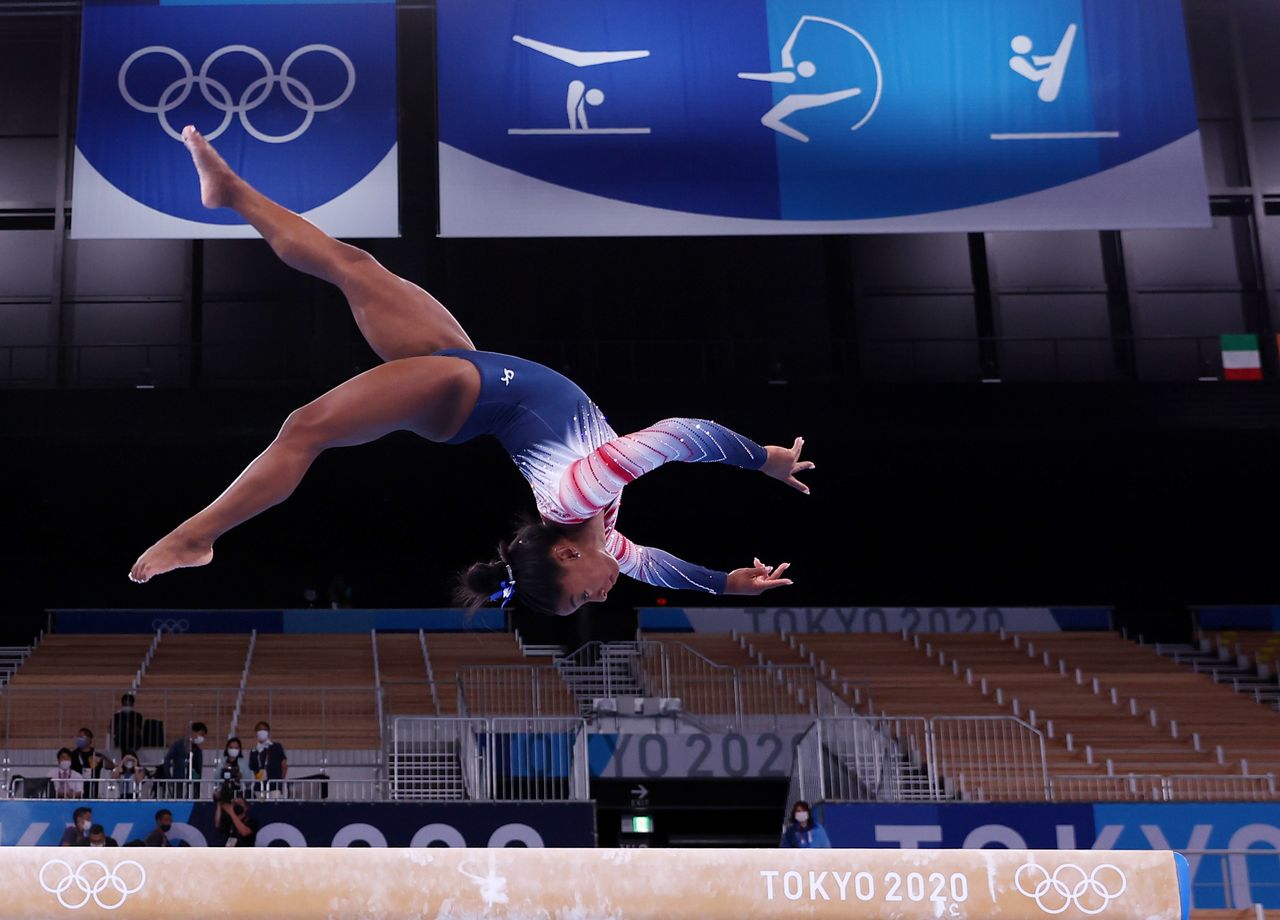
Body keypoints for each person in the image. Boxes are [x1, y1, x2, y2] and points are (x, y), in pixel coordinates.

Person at [128, 127, 814, 617]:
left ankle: (197, 537)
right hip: (475, 376)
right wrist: (726, 585)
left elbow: (680, 435)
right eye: (585, 605)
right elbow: (655, 561)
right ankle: (232, 190)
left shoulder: (582, 493)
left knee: (305, 428)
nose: (601, 596)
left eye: (580, 598)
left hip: (466, 393)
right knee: (355, 267)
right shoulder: (603, 533)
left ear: (567, 558)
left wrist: (763, 462)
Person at [162, 721, 207, 796]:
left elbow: (198, 771)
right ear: (194, 732)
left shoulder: (198, 751)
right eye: (201, 734)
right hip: (178, 781)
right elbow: (167, 760)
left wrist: (197, 788)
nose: (202, 738)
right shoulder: (178, 745)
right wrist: (169, 778)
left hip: (192, 784)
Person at [69, 728, 113, 796]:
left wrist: (102, 759)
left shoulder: (96, 755)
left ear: (89, 739)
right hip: (76, 791)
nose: (78, 739)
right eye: (78, 737)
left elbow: (111, 766)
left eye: (81, 737)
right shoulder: (73, 755)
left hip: (92, 790)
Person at [248, 722, 287, 795]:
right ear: (256, 733)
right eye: (259, 729)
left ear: (268, 732)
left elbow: (284, 765)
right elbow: (254, 770)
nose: (262, 731)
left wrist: (280, 782)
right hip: (259, 787)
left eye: (265, 730)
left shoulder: (276, 746)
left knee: (273, 805)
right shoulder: (254, 751)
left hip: (274, 786)